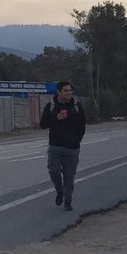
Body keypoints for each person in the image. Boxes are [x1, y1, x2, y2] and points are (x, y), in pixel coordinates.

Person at [40, 81, 86, 211]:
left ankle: (68, 200)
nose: (69, 93)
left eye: (70, 90)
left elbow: (82, 125)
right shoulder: (51, 106)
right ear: (59, 92)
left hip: (72, 148)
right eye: (65, 90)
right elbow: (43, 124)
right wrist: (56, 118)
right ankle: (59, 190)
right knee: (54, 171)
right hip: (55, 146)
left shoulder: (76, 106)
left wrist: (77, 141)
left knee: (69, 176)